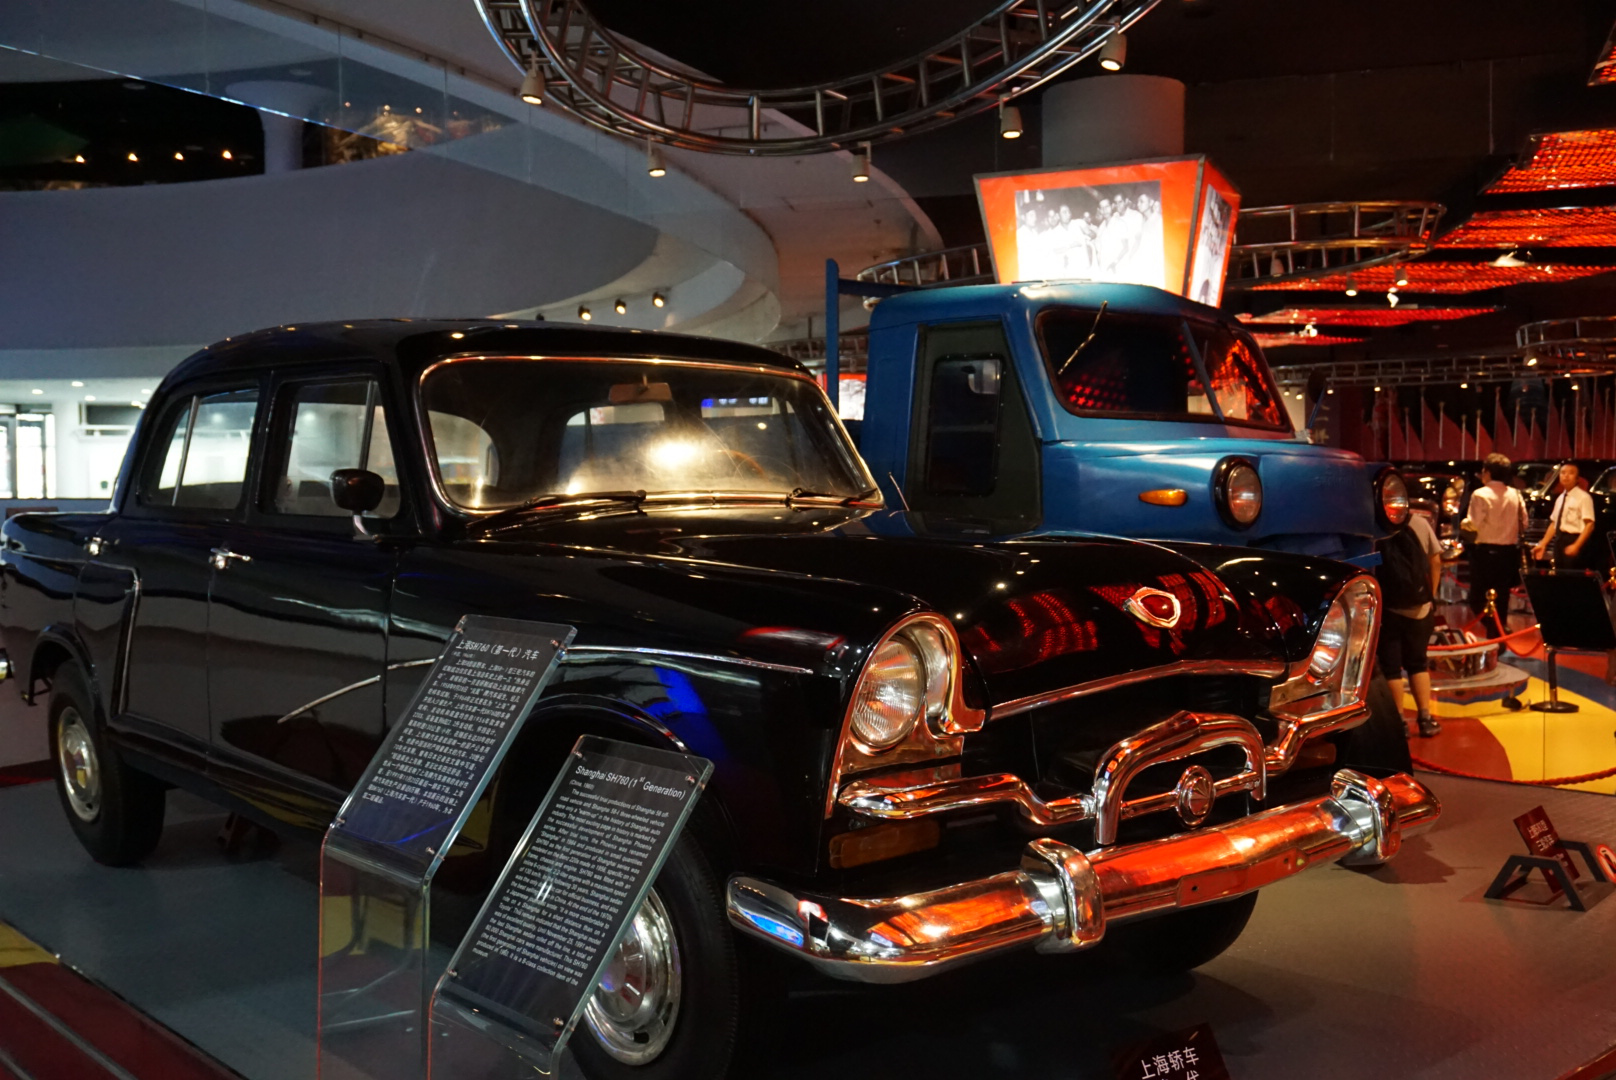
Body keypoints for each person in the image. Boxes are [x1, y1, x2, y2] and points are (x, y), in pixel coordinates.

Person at [1376, 509, 1444, 736]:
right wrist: (1430, 596)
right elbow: (1435, 560)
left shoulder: (1376, 524)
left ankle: (1399, 722)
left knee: (1391, 668)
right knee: (1418, 663)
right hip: (1420, 608)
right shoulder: (1419, 523)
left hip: (1389, 608)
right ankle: (1425, 718)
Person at [1462, 452, 1526, 635]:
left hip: (1485, 553)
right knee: (1502, 598)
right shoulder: (1515, 494)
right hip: (1509, 553)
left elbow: (1473, 524)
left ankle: (1496, 630)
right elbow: (1524, 522)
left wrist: (1463, 524)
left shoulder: (1480, 494)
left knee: (1477, 598)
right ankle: (1499, 635)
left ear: (1488, 472)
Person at [1532, 462, 1595, 569]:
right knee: (1559, 572)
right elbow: (1554, 523)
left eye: (1571, 473)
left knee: (1572, 574)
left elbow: (1590, 524)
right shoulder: (1560, 498)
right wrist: (1543, 544)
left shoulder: (1584, 497)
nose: (1566, 476)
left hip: (1574, 539)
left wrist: (1576, 545)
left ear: (1577, 478)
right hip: (1559, 540)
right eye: (1563, 473)